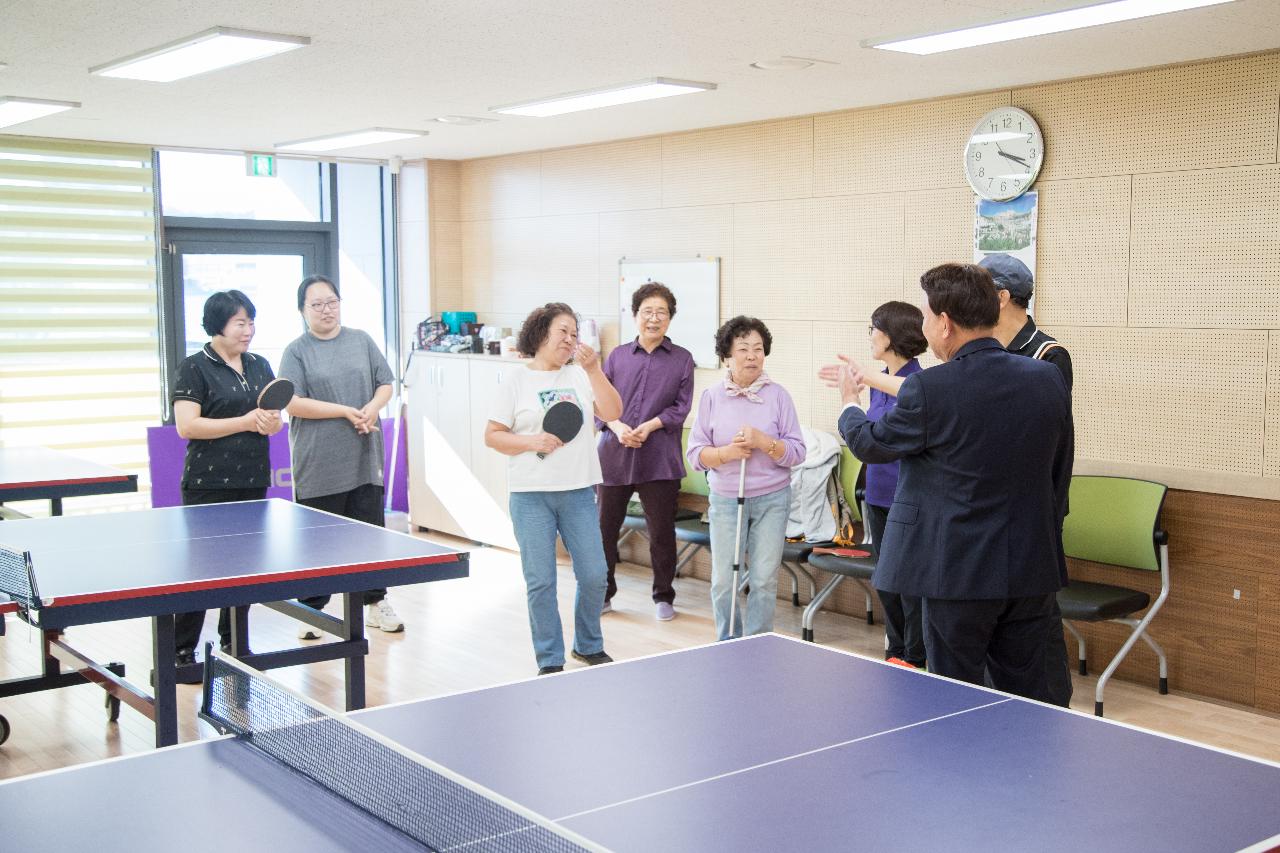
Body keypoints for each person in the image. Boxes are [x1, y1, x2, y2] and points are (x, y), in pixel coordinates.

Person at [826, 263, 1072, 702]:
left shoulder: (930, 388)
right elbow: (1059, 465)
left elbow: (871, 444)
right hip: (1031, 566)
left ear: (944, 323)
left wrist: (849, 403)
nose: (923, 326)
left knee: (953, 697)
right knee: (1031, 697)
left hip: (957, 572)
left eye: (924, 316)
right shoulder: (1046, 377)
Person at [484, 302, 624, 675]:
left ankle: (588, 645)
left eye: (575, 333)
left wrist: (594, 369)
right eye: (563, 331)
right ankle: (550, 658)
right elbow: (493, 436)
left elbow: (612, 412)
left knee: (595, 574)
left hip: (578, 492)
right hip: (531, 496)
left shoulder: (581, 375)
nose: (570, 338)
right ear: (540, 333)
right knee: (541, 580)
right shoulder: (516, 381)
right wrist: (532, 442)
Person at [279, 274, 403, 636]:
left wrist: (371, 408)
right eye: (316, 304)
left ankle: (375, 602)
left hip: (363, 458)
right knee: (319, 541)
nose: (325, 310)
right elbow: (293, 402)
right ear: (302, 310)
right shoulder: (296, 351)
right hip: (318, 463)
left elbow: (385, 383)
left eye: (331, 301)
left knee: (369, 536)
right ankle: (311, 611)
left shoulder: (361, 340)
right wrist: (344, 411)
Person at [171, 290, 283, 678]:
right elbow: (188, 426)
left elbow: (273, 418)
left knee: (245, 567)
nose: (248, 330)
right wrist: (246, 421)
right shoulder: (194, 367)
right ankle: (181, 649)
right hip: (208, 485)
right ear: (218, 325)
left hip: (251, 479)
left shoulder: (258, 364)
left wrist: (270, 423)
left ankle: (234, 641)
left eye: (251, 321)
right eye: (241, 322)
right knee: (201, 570)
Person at [980, 251, 1075, 708]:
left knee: (1034, 635)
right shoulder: (980, 351)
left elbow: (1048, 446)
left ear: (1001, 297)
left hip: (1033, 518)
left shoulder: (1049, 356)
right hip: (987, 518)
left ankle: (1050, 713)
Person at [687, 316, 804, 642]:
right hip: (726, 500)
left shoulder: (779, 396)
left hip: (772, 500)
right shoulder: (711, 397)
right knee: (724, 579)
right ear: (727, 355)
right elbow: (695, 455)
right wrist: (726, 454)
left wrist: (763, 441)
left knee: (765, 580)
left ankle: (758, 644)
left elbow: (797, 452)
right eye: (743, 349)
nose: (752, 356)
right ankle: (727, 641)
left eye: (758, 349)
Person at [596, 282, 694, 621]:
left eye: (662, 313)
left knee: (661, 533)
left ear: (670, 319)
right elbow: (599, 405)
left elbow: (681, 408)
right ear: (635, 315)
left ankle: (663, 596)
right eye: (648, 312)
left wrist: (649, 426)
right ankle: (604, 593)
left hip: (659, 459)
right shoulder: (618, 356)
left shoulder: (682, 359)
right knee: (604, 530)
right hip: (613, 455)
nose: (654, 319)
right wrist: (617, 426)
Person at [862, 301, 927, 669]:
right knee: (886, 582)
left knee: (909, 586)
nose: (870, 336)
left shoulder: (917, 382)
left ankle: (915, 657)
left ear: (889, 335)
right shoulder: (878, 382)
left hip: (908, 500)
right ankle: (895, 651)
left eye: (873, 328)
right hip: (877, 495)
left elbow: (890, 432)